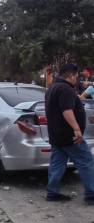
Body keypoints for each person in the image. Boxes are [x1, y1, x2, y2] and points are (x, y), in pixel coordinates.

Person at [45, 63, 94, 204]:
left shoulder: (52, 88)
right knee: (86, 161)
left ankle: (52, 193)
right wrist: (77, 129)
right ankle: (91, 194)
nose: (76, 79)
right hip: (69, 136)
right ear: (71, 75)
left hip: (56, 135)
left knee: (57, 163)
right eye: (76, 76)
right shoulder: (66, 89)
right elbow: (67, 110)